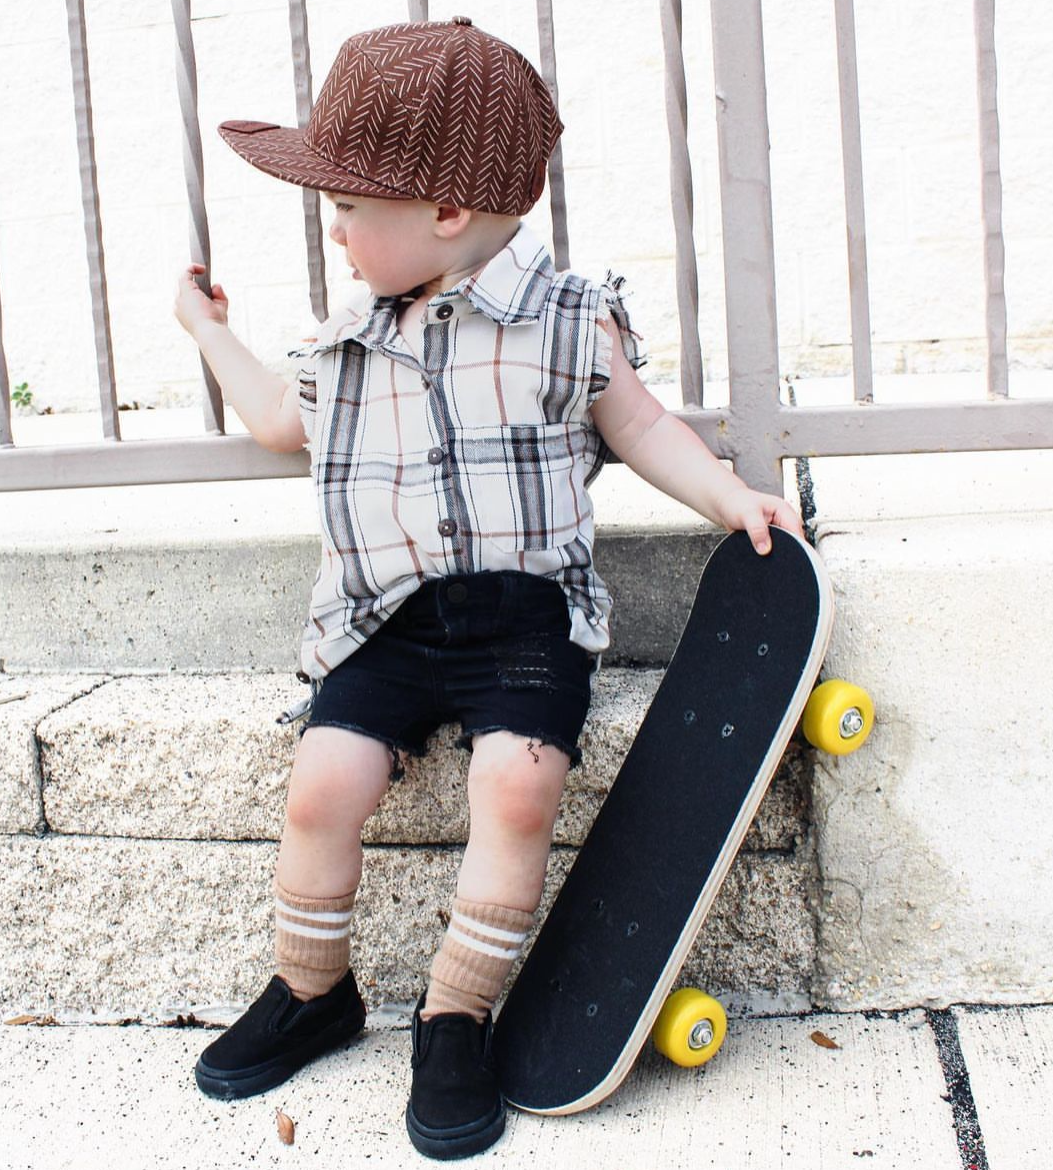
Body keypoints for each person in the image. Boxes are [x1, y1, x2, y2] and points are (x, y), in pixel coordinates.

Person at [174, 17, 801, 1159]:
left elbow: (644, 427)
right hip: (384, 620)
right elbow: (277, 422)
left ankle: (453, 1015)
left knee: (513, 791)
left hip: (524, 620)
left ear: (444, 216)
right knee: (320, 786)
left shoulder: (568, 322)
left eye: (348, 209)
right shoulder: (350, 340)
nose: (336, 230)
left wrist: (729, 500)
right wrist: (208, 332)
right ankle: (312, 990)